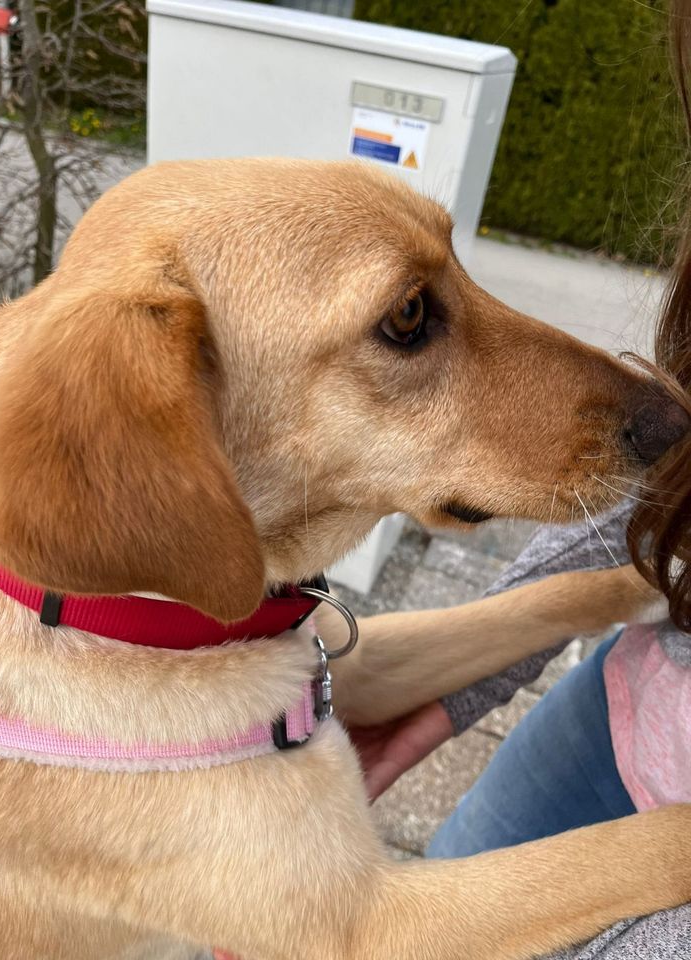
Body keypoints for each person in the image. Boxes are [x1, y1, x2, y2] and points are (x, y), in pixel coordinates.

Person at [353, 4, 691, 955]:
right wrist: (457, 683)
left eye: (411, 317)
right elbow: (672, 477)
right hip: (629, 713)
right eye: (414, 315)